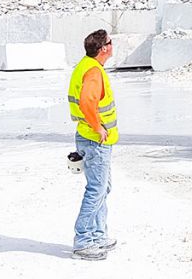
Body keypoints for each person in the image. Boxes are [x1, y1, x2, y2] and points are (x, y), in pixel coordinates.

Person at [67, 29, 118, 261]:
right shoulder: (94, 72)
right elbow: (88, 101)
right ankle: (83, 241)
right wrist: (98, 128)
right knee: (96, 189)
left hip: (88, 137)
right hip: (95, 140)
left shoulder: (87, 65)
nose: (112, 45)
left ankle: (98, 236)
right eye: (110, 42)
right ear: (104, 48)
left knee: (102, 188)